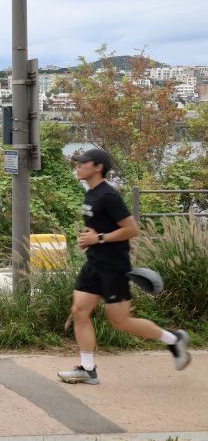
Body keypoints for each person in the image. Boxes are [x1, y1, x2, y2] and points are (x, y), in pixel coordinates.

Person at [57, 148, 191, 385]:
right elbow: (100, 227)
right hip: (94, 264)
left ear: (98, 167)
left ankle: (173, 339)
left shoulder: (108, 196)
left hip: (113, 267)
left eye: (82, 163)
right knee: (79, 311)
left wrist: (98, 239)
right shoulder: (91, 194)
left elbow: (132, 229)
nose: (77, 166)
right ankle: (87, 369)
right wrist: (88, 238)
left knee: (120, 321)